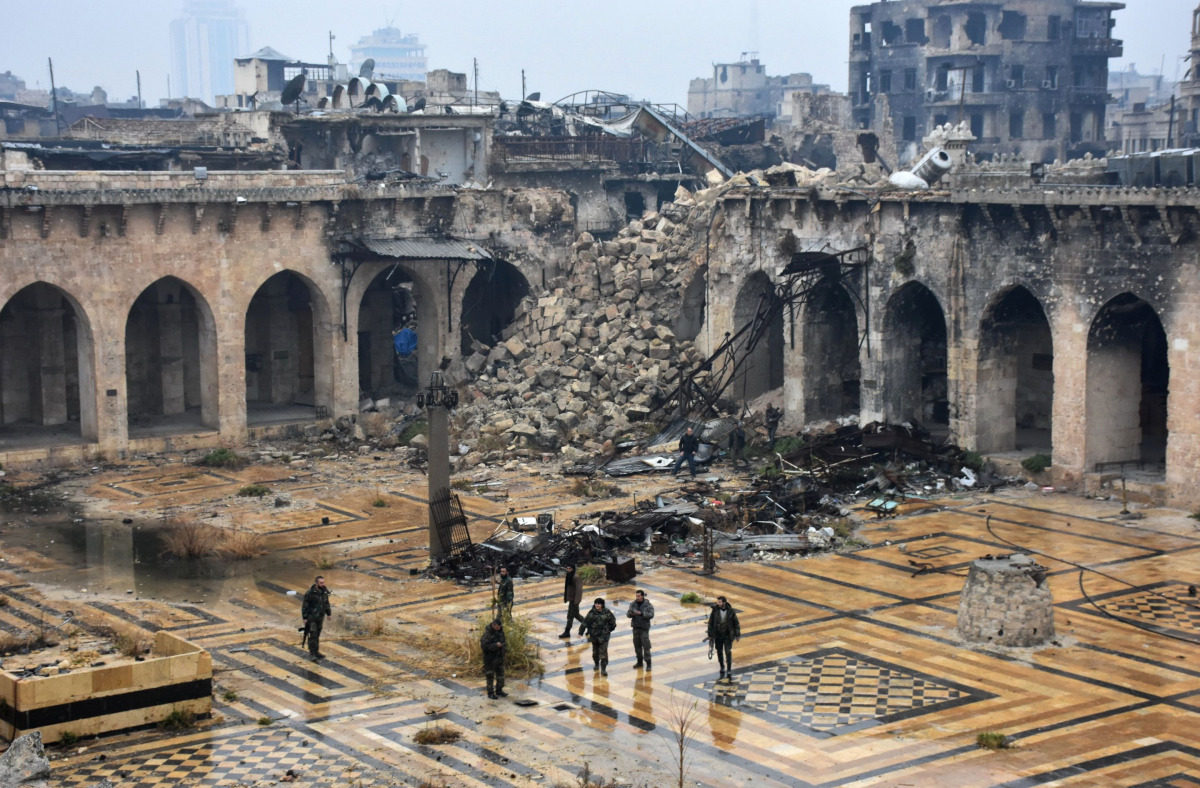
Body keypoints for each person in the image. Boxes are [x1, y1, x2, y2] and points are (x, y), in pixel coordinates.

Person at [706, 595, 741, 681]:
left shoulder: (731, 611)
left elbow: (736, 623)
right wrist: (710, 634)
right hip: (718, 635)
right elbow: (710, 623)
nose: (718, 603)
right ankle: (722, 666)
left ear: (724, 603)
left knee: (728, 651)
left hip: (727, 635)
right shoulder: (715, 611)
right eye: (718, 602)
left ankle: (729, 669)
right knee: (719, 651)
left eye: (720, 602)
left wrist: (737, 635)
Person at [581, 598, 617, 676]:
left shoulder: (607, 612)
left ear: (602, 605)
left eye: (599, 604)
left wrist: (608, 630)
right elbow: (585, 622)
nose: (597, 605)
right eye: (596, 603)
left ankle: (603, 669)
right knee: (595, 653)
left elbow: (613, 622)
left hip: (604, 637)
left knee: (603, 653)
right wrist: (581, 632)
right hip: (594, 636)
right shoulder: (591, 612)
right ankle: (596, 664)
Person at [301, 576, 332, 662]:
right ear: (316, 583)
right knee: (313, 636)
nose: (323, 584)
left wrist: (328, 613)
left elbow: (326, 603)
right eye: (321, 583)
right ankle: (312, 654)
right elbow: (305, 606)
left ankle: (316, 652)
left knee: (317, 635)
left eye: (323, 582)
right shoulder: (310, 593)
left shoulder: (324, 591)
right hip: (312, 618)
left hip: (320, 617)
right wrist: (305, 617)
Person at [627, 589, 655, 670]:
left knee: (646, 646)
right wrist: (631, 614)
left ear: (642, 596)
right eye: (636, 596)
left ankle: (648, 663)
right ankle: (639, 662)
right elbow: (628, 614)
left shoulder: (648, 605)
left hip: (644, 629)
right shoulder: (633, 604)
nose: (637, 597)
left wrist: (642, 613)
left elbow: (651, 614)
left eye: (638, 596)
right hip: (635, 628)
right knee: (637, 646)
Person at [481, 618, 508, 699]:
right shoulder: (487, 634)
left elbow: (504, 641)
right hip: (490, 658)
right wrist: (496, 645)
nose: (498, 629)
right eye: (497, 627)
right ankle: (490, 693)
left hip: (499, 657)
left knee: (501, 675)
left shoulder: (500, 632)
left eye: (499, 627)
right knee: (490, 676)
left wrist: (504, 649)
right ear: (493, 625)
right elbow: (484, 647)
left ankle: (499, 690)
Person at [559, 565, 585, 638]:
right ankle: (589, 625)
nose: (568, 569)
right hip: (571, 600)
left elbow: (579, 590)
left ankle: (567, 631)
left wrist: (577, 601)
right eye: (567, 568)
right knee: (576, 615)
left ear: (573, 569)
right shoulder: (569, 576)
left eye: (569, 568)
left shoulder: (576, 577)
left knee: (570, 616)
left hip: (574, 600)